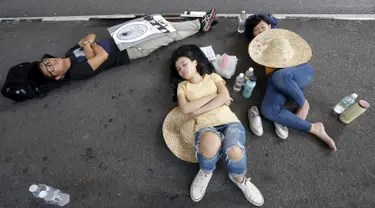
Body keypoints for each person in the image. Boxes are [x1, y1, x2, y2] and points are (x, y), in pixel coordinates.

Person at [1, 8, 218, 102]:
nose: (51, 62)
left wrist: (88, 45)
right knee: (167, 37)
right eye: (50, 68)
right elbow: (102, 54)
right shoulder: (77, 71)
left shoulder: (69, 54)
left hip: (122, 36)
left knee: (160, 26)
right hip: (128, 51)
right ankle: (200, 24)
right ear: (57, 77)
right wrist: (90, 46)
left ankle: (198, 23)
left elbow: (91, 35)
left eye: (46, 62)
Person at [170, 44, 264, 206]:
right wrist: (214, 96)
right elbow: (185, 108)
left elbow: (225, 96)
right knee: (210, 144)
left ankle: (239, 179)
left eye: (184, 64)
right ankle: (206, 171)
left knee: (234, 150)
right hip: (206, 126)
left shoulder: (213, 77)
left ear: (195, 62)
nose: (181, 70)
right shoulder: (182, 86)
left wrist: (198, 110)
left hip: (228, 121)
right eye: (178, 69)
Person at [248, 28, 337, 152]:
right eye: (256, 31)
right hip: (277, 80)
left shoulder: (280, 37)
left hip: (299, 71)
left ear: (270, 25)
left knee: (280, 76)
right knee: (268, 110)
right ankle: (314, 128)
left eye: (262, 27)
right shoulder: (259, 48)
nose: (260, 31)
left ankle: (303, 104)